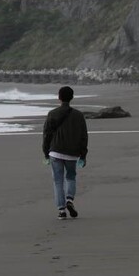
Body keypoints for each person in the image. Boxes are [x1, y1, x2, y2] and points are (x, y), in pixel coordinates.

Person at [42, 86, 89, 220]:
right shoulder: (79, 115)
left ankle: (61, 210)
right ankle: (69, 200)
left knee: (58, 181)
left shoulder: (52, 113)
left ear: (59, 97)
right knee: (71, 177)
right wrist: (83, 155)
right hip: (72, 153)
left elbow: (46, 135)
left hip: (55, 152)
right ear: (72, 97)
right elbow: (84, 136)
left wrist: (46, 153)